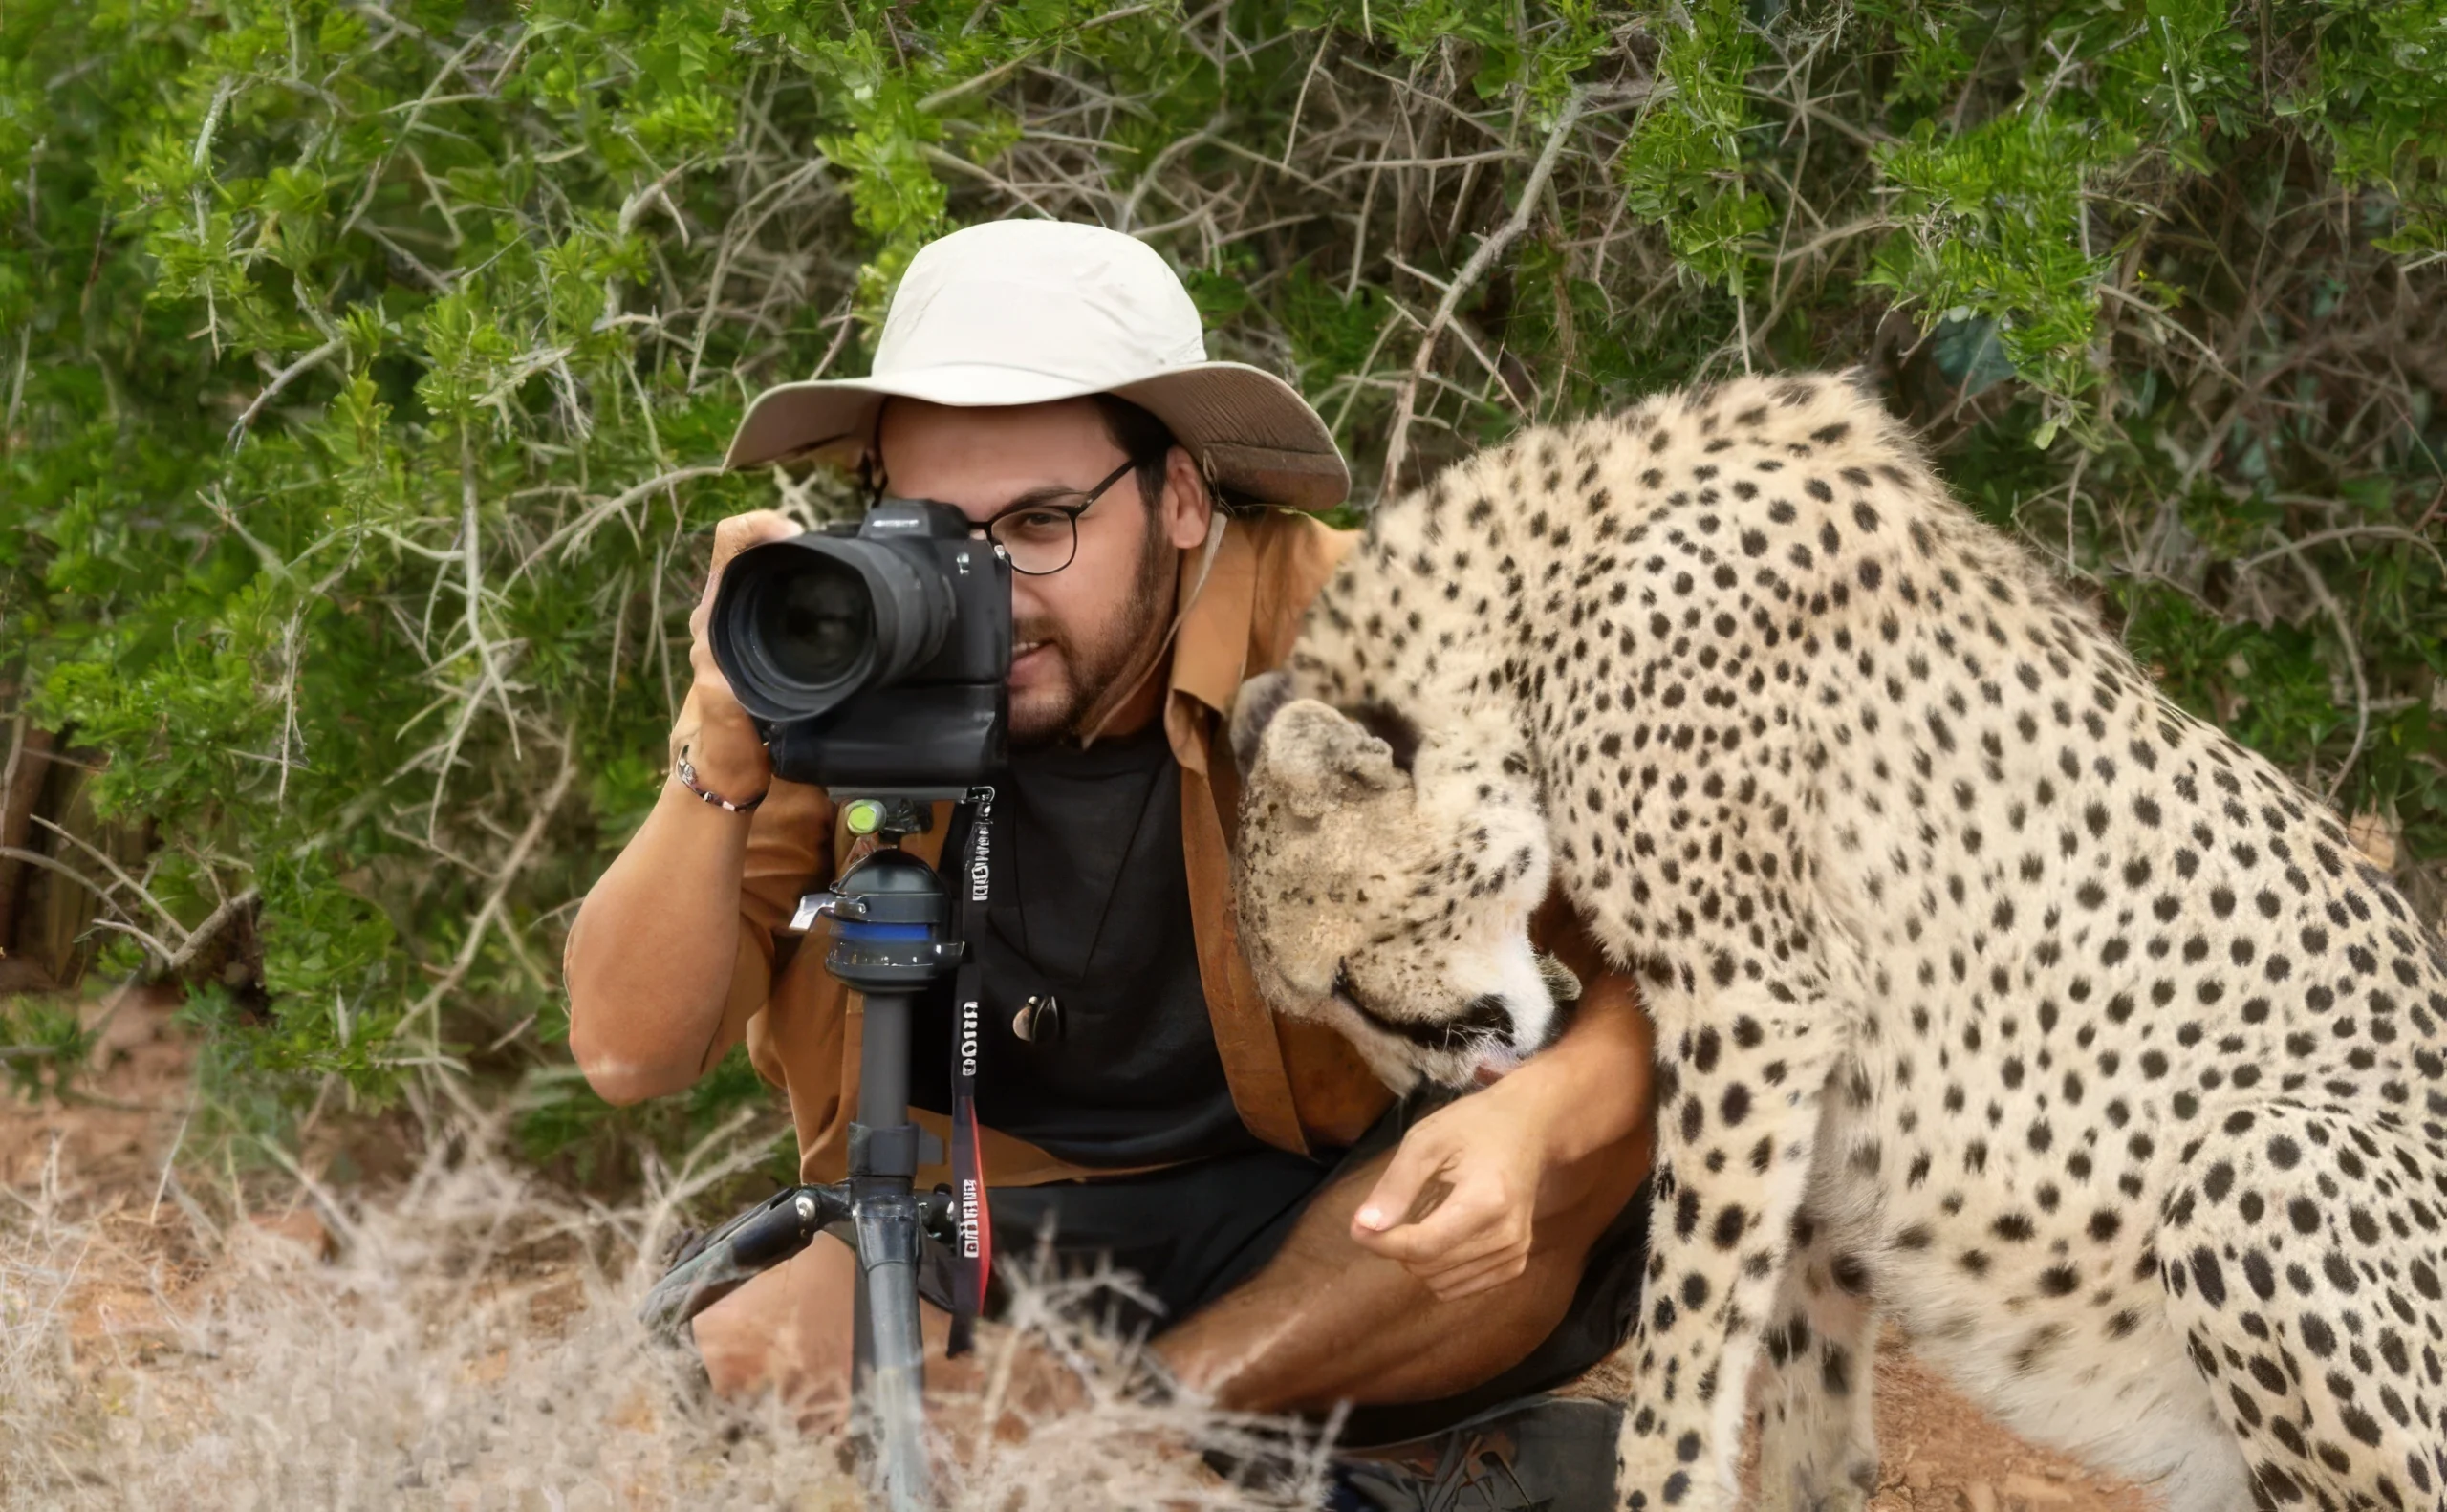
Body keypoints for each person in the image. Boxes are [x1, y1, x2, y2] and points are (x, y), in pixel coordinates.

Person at [563, 219, 1656, 1489]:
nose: (988, 585)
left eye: (1039, 522)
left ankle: (1145, 1440)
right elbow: (628, 1050)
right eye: (935, 524)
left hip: (1319, 1229)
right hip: (987, 1242)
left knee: (1528, 1155)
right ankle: (1370, 1475)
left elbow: (1698, 962)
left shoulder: (1369, 638)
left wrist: (1536, 1120)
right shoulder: (845, 651)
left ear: (1183, 495)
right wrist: (726, 744)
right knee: (750, 1357)